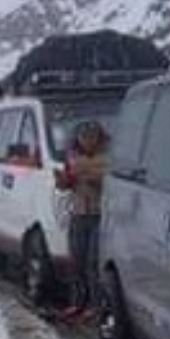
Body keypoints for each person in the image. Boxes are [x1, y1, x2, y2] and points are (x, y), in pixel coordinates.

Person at [55, 120, 109, 320]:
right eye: (83, 138)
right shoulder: (72, 157)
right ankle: (78, 302)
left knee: (92, 263)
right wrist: (63, 181)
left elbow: (112, 181)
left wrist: (97, 180)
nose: (87, 142)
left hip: (99, 214)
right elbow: (66, 183)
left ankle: (95, 305)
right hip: (78, 213)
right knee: (76, 261)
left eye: (91, 138)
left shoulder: (107, 158)